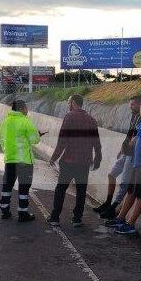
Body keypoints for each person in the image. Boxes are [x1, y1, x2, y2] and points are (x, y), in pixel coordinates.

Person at [105, 101, 141, 235]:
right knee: (131, 192)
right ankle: (120, 218)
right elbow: (138, 135)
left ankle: (130, 224)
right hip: (137, 165)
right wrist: (130, 144)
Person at [48, 94, 102, 227]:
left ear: (72, 102)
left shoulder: (69, 117)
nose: (68, 104)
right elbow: (97, 142)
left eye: (68, 102)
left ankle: (55, 217)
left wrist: (54, 157)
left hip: (69, 161)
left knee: (61, 188)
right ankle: (77, 219)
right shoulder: (91, 120)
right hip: (84, 162)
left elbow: (63, 140)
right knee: (81, 190)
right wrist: (98, 158)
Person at [93, 95, 141, 219]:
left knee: (125, 183)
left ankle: (114, 207)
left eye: (132, 104)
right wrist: (122, 147)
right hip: (126, 152)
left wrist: (132, 144)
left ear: (139, 104)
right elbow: (130, 133)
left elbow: (139, 136)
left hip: (133, 155)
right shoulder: (134, 116)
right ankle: (108, 202)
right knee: (111, 174)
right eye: (130, 104)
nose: (130, 107)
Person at [0, 100, 42, 222]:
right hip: (24, 162)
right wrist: (37, 135)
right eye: (26, 108)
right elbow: (34, 140)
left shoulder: (5, 122)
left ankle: (4, 210)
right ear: (22, 109)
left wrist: (7, 151)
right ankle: (23, 213)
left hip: (10, 159)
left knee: (7, 185)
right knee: (24, 187)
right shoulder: (25, 121)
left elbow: (1, 137)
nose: (27, 110)